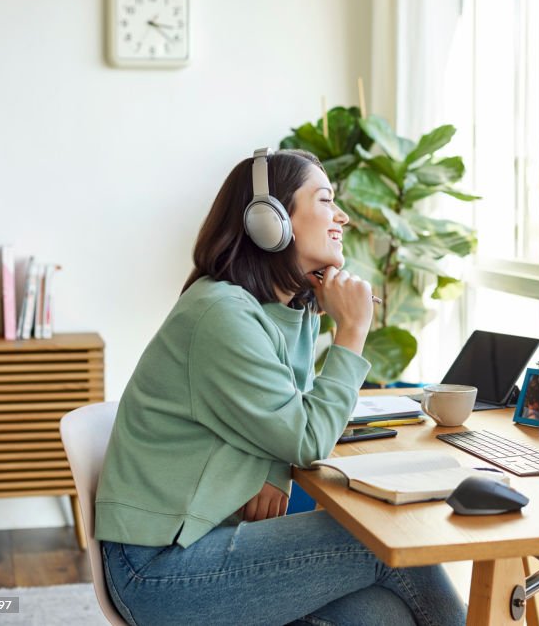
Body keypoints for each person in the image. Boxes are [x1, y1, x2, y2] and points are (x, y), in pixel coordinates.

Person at [95, 149, 465, 626]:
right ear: (268, 221)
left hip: (208, 541)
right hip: (158, 569)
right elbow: (309, 439)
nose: (343, 216)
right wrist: (352, 331)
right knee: (380, 537)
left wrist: (274, 466)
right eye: (326, 200)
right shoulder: (220, 314)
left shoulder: (281, 311)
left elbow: (286, 415)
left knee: (384, 615)